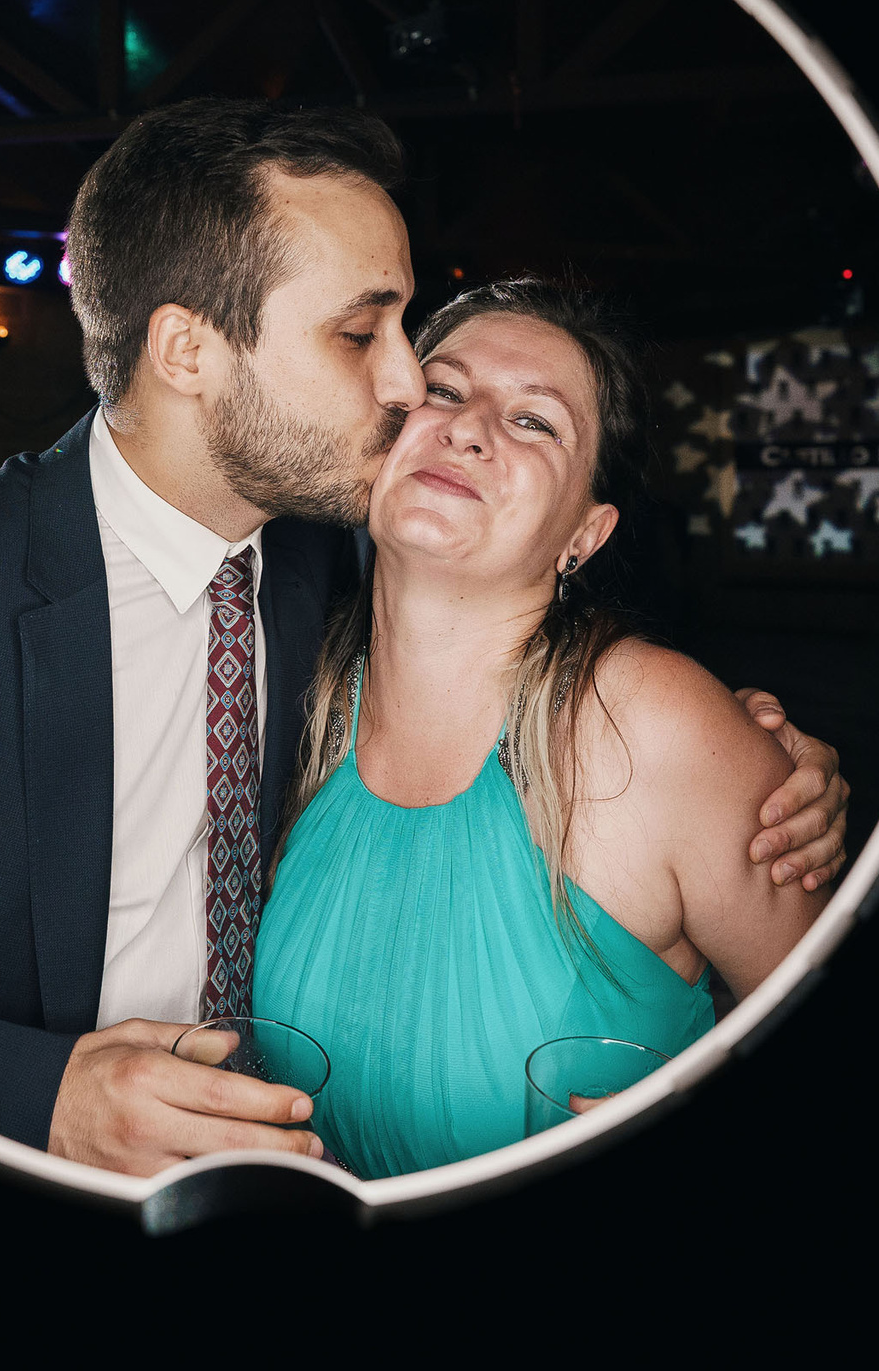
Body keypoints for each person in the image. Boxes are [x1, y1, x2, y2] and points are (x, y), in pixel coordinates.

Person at [0, 99, 851, 1177]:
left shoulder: (320, 563)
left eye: (405, 336)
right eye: (361, 335)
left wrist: (753, 766)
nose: (407, 386)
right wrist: (36, 1100)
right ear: (188, 351)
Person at [256, 279, 824, 1178]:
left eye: (534, 421)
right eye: (443, 389)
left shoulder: (654, 727)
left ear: (585, 535)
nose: (469, 427)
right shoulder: (294, 699)